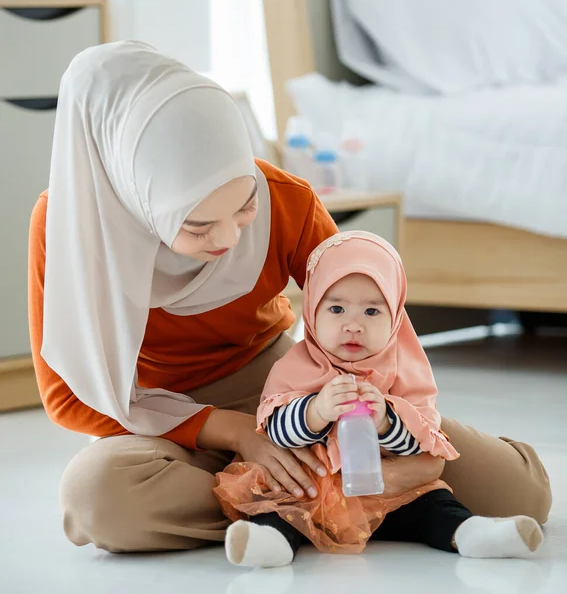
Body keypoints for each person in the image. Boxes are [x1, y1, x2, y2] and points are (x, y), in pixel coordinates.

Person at [28, 42, 551, 554]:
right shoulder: (68, 227)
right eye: (197, 225)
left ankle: (298, 509)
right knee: (98, 497)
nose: (229, 239)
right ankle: (353, 504)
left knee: (521, 493)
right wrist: (236, 435)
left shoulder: (286, 199)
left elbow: (375, 323)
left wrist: (391, 420)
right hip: (158, 419)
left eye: (245, 206)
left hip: (293, 392)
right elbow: (68, 398)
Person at [215, 232, 544, 567]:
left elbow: (423, 437)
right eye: (337, 308)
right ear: (312, 310)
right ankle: (271, 543)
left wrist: (387, 420)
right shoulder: (296, 366)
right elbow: (276, 431)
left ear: (396, 316)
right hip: (309, 493)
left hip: (388, 493)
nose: (353, 325)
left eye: (372, 311)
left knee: (434, 502)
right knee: (276, 505)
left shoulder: (406, 369)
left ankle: (471, 533)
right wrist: (317, 410)